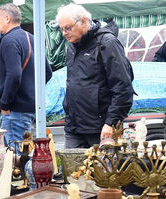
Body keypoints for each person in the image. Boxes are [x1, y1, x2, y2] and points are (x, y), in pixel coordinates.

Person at [56, 3, 134, 148]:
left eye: (68, 28)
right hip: (74, 127)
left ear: (84, 21)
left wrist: (111, 123)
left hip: (101, 129)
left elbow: (123, 87)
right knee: (71, 170)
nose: (64, 33)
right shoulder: (72, 47)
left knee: (104, 170)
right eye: (61, 29)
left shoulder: (107, 43)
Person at [0, 3, 52, 150]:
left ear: (7, 19)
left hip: (15, 110)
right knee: (23, 155)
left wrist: (5, 104)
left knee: (15, 160)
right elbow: (47, 73)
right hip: (30, 108)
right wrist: (30, 91)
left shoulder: (9, 40)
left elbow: (14, 75)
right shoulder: (32, 38)